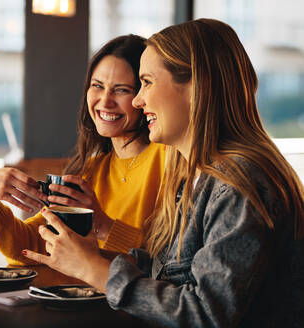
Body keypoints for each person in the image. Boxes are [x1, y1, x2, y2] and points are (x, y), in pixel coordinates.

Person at [23, 19, 304, 327]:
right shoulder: (197, 174)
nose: (138, 100)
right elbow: (171, 272)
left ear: (197, 86)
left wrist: (93, 269)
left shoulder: (240, 182)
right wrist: (93, 256)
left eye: (147, 82)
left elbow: (207, 314)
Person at [0, 35, 165, 266]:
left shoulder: (169, 159)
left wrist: (101, 224)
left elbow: (168, 261)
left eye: (121, 90)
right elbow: (30, 247)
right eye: (97, 86)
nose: (105, 101)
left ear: (142, 96)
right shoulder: (93, 170)